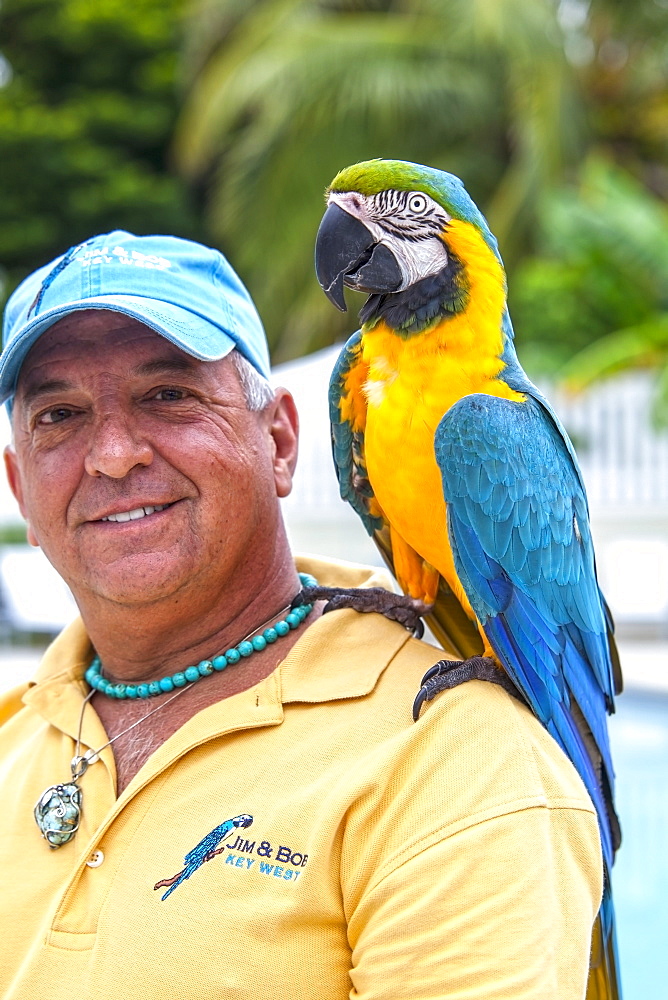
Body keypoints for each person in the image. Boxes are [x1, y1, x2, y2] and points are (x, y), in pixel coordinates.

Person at [0, 231, 602, 999]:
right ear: (20, 486)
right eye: (59, 415)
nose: (113, 454)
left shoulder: (454, 760)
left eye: (169, 396)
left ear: (281, 439)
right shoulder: (14, 731)